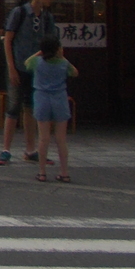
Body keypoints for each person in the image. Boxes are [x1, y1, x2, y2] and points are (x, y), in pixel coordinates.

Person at [0, 0, 59, 166]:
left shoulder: (46, 17)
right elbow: (8, 40)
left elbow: (51, 41)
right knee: (13, 106)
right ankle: (6, 149)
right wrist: (11, 67)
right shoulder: (20, 12)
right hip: (18, 65)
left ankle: (30, 149)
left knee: (30, 107)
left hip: (36, 68)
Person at [26, 35, 77, 183]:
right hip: (59, 98)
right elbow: (75, 72)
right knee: (61, 138)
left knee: (44, 138)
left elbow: (26, 63)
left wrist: (40, 53)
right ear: (57, 49)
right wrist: (63, 58)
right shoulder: (63, 64)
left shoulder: (37, 62)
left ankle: (42, 172)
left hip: (41, 98)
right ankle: (64, 172)